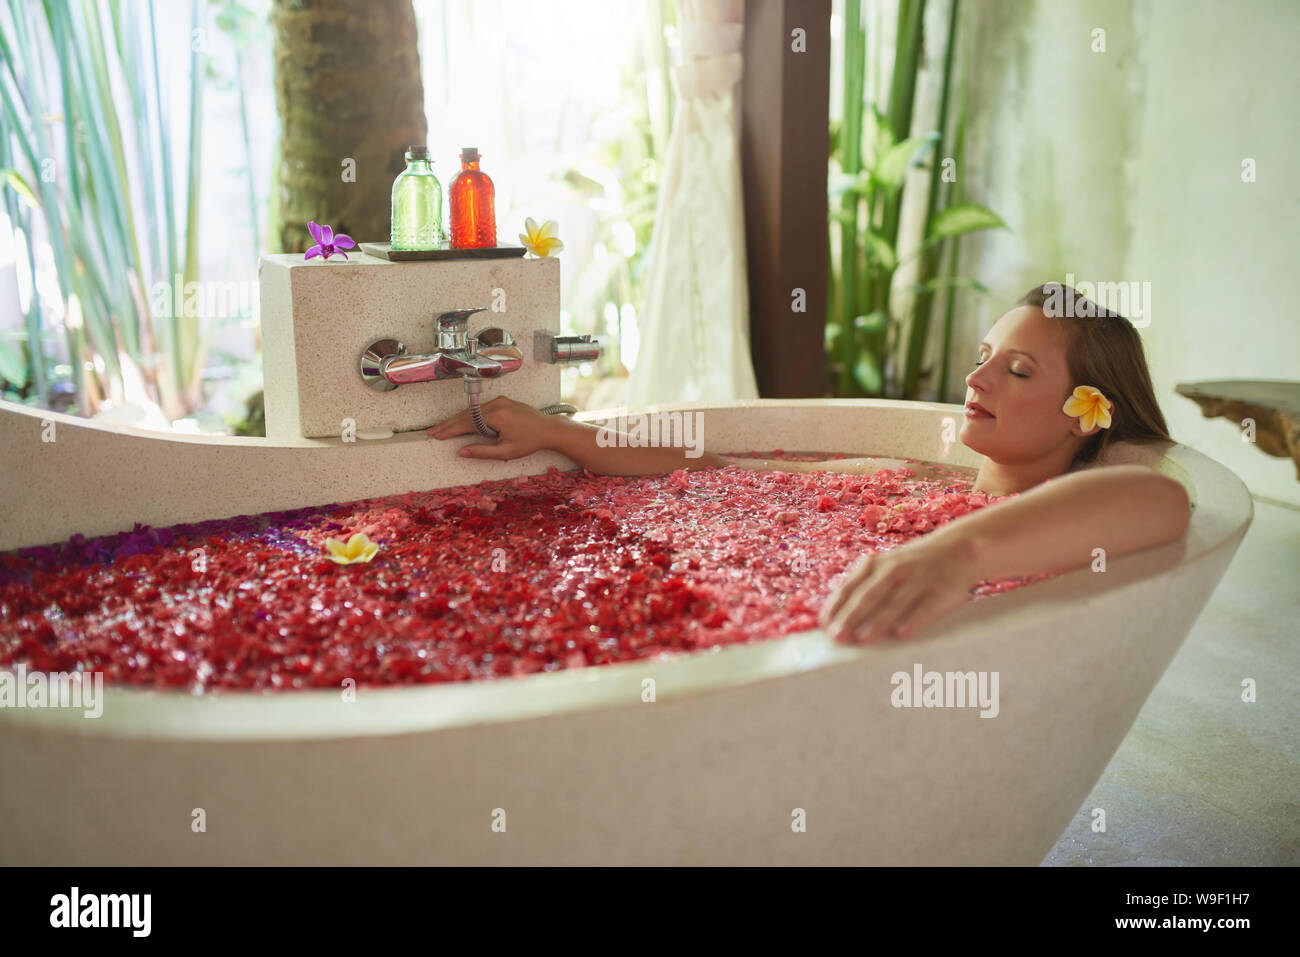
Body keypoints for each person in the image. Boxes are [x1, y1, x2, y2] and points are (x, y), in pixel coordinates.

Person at [428, 283, 1191, 645]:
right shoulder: (911, 481)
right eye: (985, 357)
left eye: (1018, 372)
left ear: (1091, 413)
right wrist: (562, 435)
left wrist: (959, 548)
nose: (977, 380)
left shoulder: (1070, 511)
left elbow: (1160, 503)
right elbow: (723, 466)